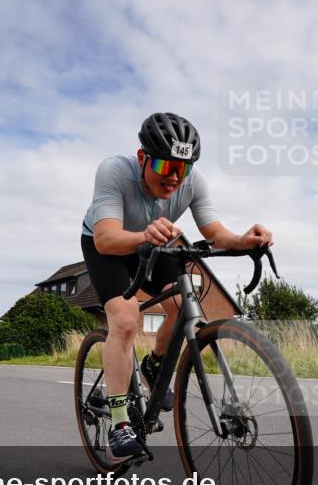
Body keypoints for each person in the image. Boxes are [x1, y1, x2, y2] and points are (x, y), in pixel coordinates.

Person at [81, 112, 273, 460]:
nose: (174, 178)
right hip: (108, 245)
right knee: (124, 320)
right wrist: (141, 236)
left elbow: (214, 232)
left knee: (184, 303)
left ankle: (154, 364)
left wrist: (244, 240)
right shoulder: (114, 171)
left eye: (182, 169)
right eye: (165, 166)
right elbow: (106, 238)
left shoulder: (192, 181)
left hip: (157, 239)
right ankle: (120, 422)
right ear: (142, 158)